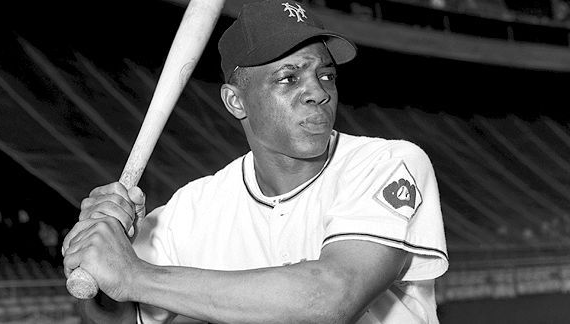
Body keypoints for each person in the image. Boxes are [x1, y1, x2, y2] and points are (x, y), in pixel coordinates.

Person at [62, 0, 448, 323]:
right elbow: (109, 307)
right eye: (288, 78)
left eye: (326, 75)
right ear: (236, 101)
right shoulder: (191, 210)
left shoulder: (387, 163)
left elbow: (330, 297)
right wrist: (103, 245)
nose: (317, 92)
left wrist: (134, 275)